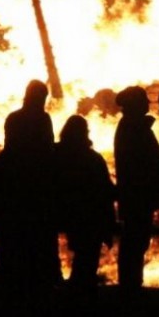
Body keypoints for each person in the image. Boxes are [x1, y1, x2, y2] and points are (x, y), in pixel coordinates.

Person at [0, 79, 60, 296]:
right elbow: (46, 151)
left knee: (13, 239)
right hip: (36, 189)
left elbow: (10, 147)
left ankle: (10, 280)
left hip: (15, 188)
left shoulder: (14, 118)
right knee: (39, 238)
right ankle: (40, 281)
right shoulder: (42, 119)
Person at [113, 85, 159, 290]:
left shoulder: (133, 125)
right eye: (143, 99)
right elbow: (147, 161)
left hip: (136, 192)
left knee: (136, 239)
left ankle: (131, 282)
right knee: (135, 239)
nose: (147, 102)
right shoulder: (133, 127)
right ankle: (130, 284)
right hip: (138, 192)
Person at [55, 114, 116, 293]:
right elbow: (104, 191)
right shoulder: (92, 159)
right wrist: (108, 224)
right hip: (89, 216)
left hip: (63, 212)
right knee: (87, 258)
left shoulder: (55, 155)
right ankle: (82, 292)